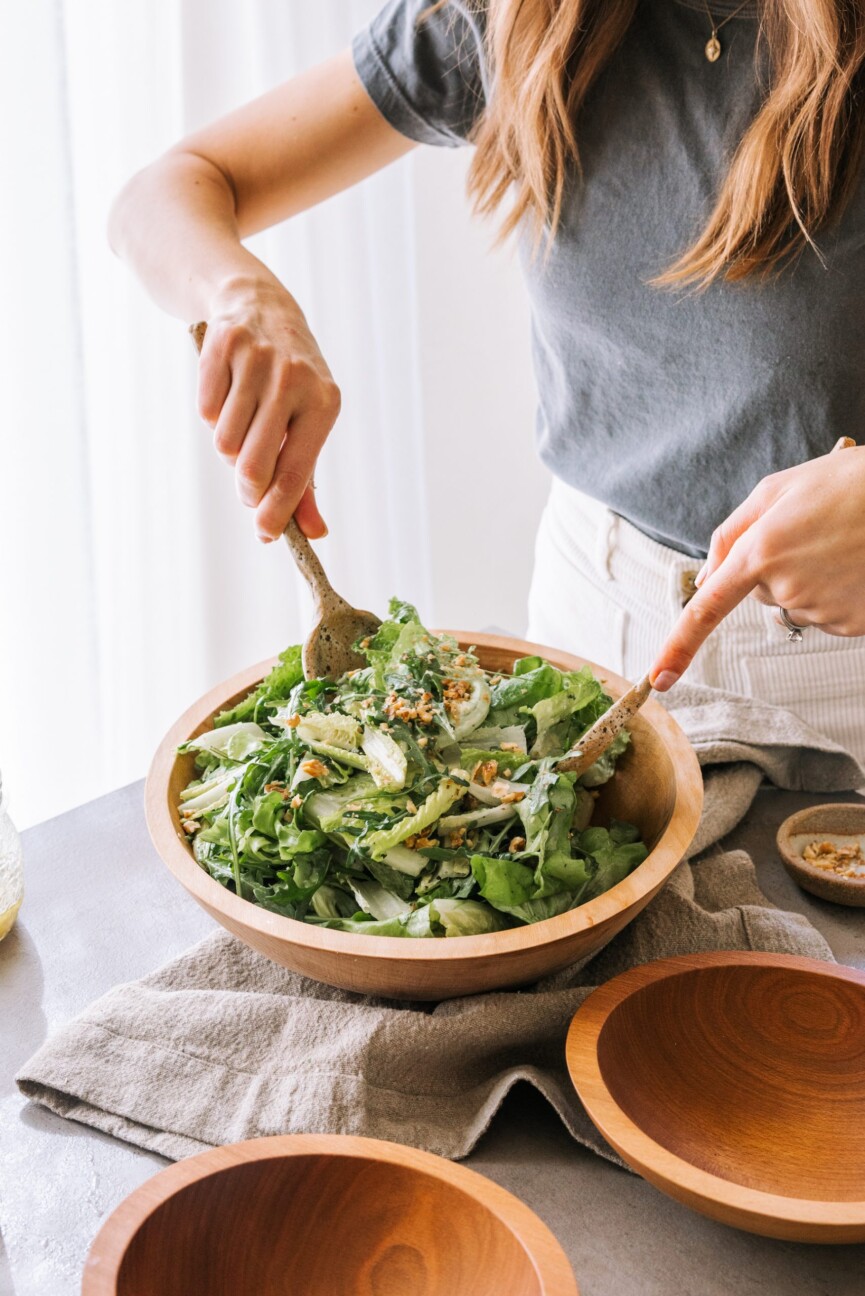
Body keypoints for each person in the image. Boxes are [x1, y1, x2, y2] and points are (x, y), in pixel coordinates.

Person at [109, 0, 865, 760]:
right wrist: (242, 296)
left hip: (844, 681)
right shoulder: (520, 15)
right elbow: (168, 190)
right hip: (590, 617)